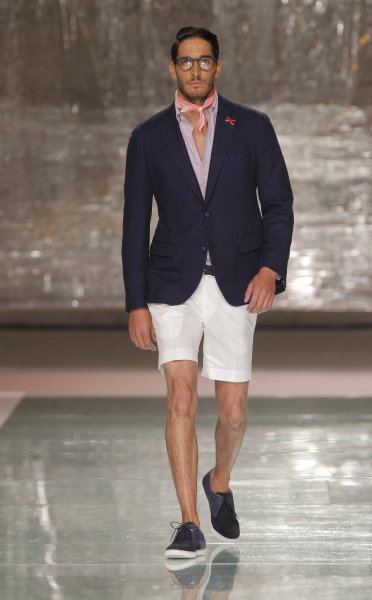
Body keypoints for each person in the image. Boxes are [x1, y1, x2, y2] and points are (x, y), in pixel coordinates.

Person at [122, 25, 294, 559]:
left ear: (217, 67)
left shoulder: (253, 127)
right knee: (180, 395)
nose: (195, 70)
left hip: (236, 281)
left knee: (233, 412)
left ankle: (217, 482)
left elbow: (279, 205)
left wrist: (270, 270)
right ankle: (188, 523)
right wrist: (135, 302)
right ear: (172, 68)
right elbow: (134, 225)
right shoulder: (148, 137)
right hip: (170, 282)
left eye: (204, 61)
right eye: (185, 62)